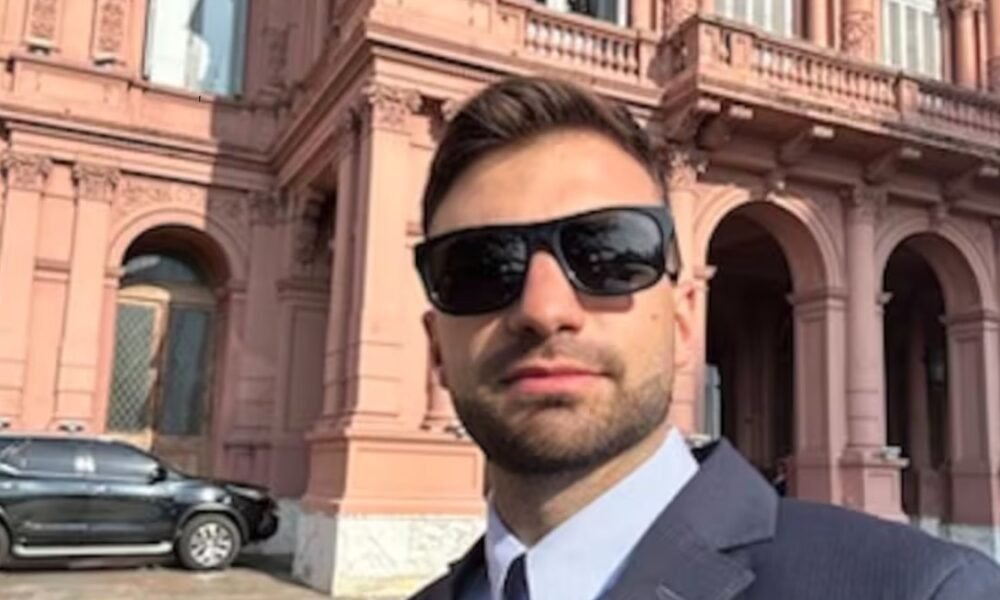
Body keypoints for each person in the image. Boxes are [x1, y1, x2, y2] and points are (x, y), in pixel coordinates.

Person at [408, 75, 1000, 600]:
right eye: (480, 268)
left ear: (684, 319)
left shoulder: (921, 590)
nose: (544, 310)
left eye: (608, 255)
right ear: (436, 347)